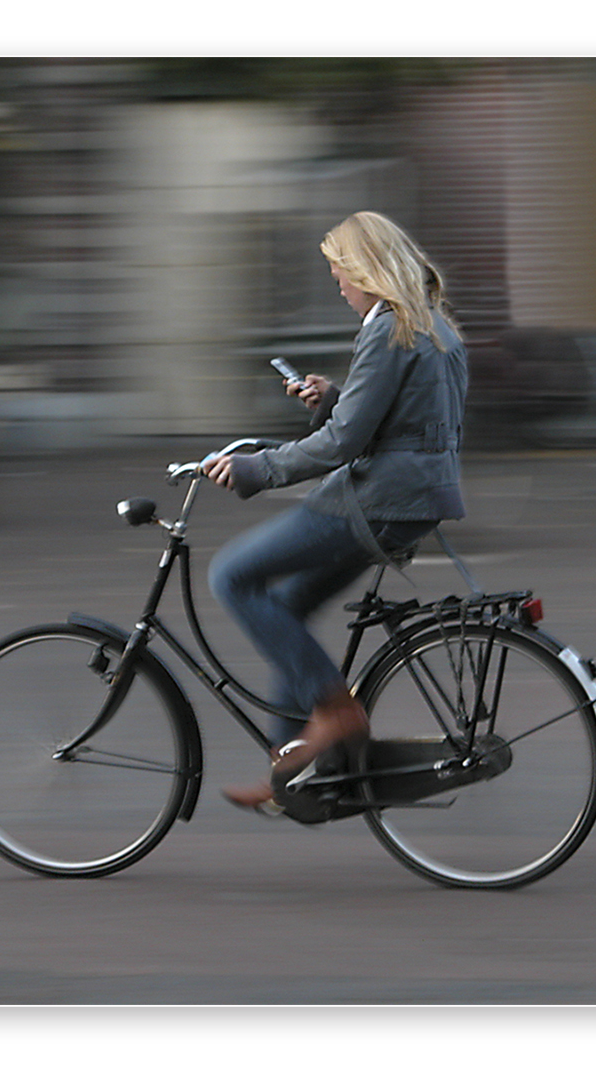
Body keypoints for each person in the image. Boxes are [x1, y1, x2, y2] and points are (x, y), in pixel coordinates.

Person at [203, 210, 468, 813]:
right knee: (289, 605)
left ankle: (335, 710)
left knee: (232, 575)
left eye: (340, 274)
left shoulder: (387, 329)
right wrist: (336, 399)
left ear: (366, 271)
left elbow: (344, 444)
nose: (338, 286)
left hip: (376, 502)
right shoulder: (433, 325)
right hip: (418, 500)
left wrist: (256, 469)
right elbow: (405, 421)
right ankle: (292, 768)